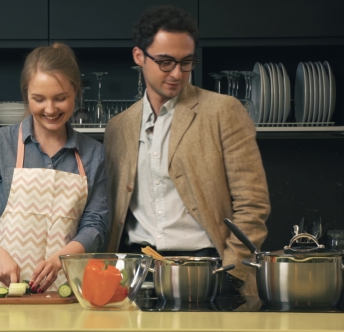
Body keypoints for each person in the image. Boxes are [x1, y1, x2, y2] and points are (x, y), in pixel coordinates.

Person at [104, 5, 270, 296]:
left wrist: (232, 276)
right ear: (139, 56)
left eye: (187, 62)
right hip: (135, 274)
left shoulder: (223, 111)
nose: (178, 73)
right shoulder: (118, 126)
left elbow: (252, 205)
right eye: (165, 62)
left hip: (209, 271)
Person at [0, 43, 108, 293]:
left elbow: (96, 226)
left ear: (76, 92)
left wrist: (60, 260)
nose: (50, 109)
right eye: (39, 99)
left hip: (66, 289)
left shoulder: (93, 153)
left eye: (60, 98)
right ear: (26, 94)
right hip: (2, 288)